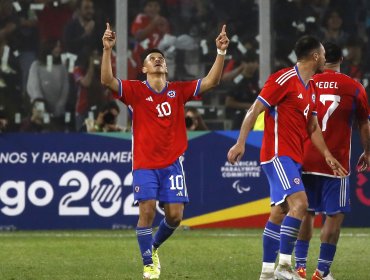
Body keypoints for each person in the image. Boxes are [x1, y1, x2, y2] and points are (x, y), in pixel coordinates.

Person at [101, 23, 229, 279]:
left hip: (172, 163)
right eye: (152, 59)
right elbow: (106, 80)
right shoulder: (135, 91)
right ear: (144, 69)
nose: (158, 60)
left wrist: (220, 52)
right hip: (145, 163)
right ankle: (148, 263)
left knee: (175, 216)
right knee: (146, 210)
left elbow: (212, 81)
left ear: (166, 67)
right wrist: (107, 50)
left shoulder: (178, 91)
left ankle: (154, 246)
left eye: (161, 58)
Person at [226, 35, 347, 280]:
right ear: (315, 56)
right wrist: (240, 142)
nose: (325, 58)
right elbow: (254, 110)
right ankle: (284, 266)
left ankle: (267, 272)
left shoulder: (310, 86)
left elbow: (312, 127)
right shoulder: (283, 79)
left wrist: (327, 155)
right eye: (322, 54)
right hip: (277, 154)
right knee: (300, 203)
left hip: (294, 158)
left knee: (280, 211)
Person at [294, 42, 370, 280]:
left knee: (305, 212)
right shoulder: (354, 87)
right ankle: (322, 271)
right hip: (335, 162)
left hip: (305, 157)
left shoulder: (306, 82)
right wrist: (367, 151)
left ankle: (299, 268)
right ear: (342, 60)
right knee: (334, 215)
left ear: (322, 59)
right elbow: (364, 124)